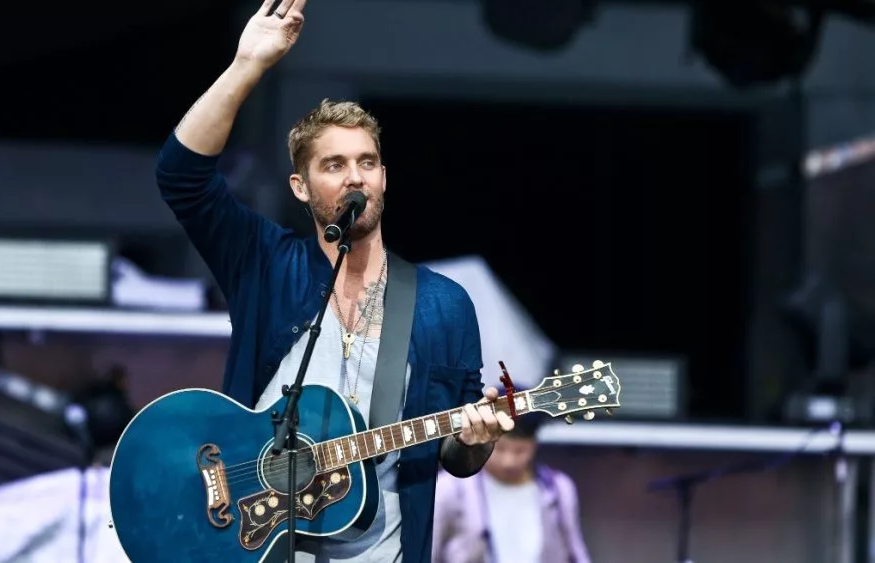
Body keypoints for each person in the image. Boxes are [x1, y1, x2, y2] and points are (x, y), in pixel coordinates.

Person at [154, 1, 515, 561]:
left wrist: (477, 441)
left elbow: (455, 457)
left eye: (367, 162)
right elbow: (181, 175)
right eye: (334, 165)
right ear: (300, 187)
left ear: (385, 177)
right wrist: (247, 63)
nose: (355, 177)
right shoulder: (266, 264)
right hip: (258, 544)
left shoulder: (443, 305)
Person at [432, 409, 591, 563]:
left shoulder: (557, 488)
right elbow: (431, 551)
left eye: (520, 451)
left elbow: (575, 552)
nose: (509, 461)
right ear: (485, 443)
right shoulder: (451, 487)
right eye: (499, 449)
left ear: (534, 446)